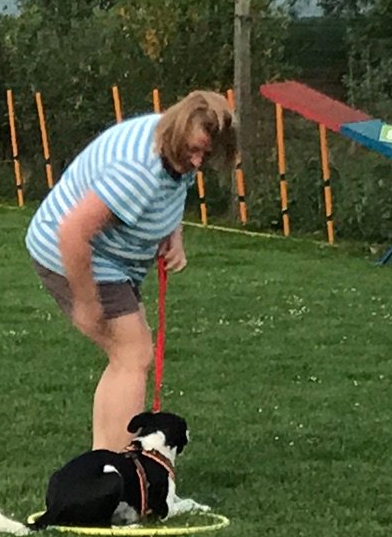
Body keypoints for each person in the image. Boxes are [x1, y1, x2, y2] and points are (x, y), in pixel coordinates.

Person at [23, 90, 235, 451]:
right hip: (73, 253)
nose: (198, 162)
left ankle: (104, 462)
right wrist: (87, 302)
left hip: (112, 259)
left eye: (207, 155)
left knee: (128, 356)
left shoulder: (173, 143)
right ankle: (114, 468)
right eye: (194, 151)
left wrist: (172, 233)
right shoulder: (136, 171)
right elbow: (72, 233)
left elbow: (172, 190)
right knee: (132, 355)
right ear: (177, 134)